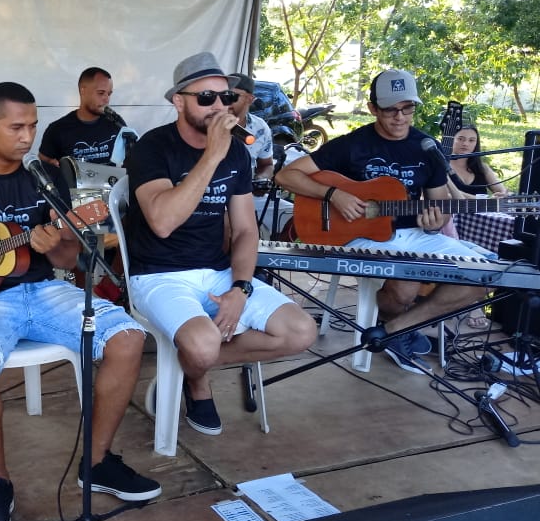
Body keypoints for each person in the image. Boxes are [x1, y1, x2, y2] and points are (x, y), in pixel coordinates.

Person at [0, 81, 160, 521]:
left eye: (33, 126)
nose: (27, 137)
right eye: (16, 127)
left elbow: (67, 257)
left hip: (43, 289)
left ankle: (97, 463)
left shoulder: (45, 179)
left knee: (128, 338)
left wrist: (56, 240)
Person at [124, 53, 317, 435]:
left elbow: (245, 230)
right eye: (205, 98)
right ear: (178, 101)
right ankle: (197, 378)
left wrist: (241, 288)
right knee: (203, 343)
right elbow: (162, 223)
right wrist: (211, 155)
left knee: (301, 331)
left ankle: (187, 366)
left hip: (217, 270)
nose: (219, 106)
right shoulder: (152, 147)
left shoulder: (237, 152)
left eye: (226, 97)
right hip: (159, 275)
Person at [275, 69, 490, 372]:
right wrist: (334, 195)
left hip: (414, 234)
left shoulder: (426, 147)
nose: (400, 117)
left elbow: (439, 205)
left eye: (408, 108)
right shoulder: (353, 144)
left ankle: (394, 330)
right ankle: (397, 328)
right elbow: (286, 175)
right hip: (361, 235)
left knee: (485, 276)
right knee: (405, 286)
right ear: (373, 108)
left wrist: (434, 221)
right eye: (390, 109)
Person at [229, 73, 295, 240]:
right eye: (222, 95)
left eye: (232, 95)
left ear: (250, 99)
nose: (225, 100)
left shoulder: (260, 127)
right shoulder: (208, 123)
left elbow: (266, 164)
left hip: (247, 193)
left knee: (294, 216)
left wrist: (261, 179)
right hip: (214, 194)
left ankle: (269, 252)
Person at [38, 67, 129, 166]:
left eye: (109, 94)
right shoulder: (57, 129)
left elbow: (131, 157)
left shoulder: (116, 122)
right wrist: (52, 167)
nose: (106, 99)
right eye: (101, 93)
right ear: (83, 91)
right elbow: (43, 163)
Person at [448, 126, 508, 198]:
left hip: (483, 205)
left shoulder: (482, 168)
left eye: (471, 140)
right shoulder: (441, 167)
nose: (465, 144)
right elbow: (445, 194)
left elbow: (501, 191)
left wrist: (503, 194)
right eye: (460, 139)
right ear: (451, 139)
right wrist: (482, 199)